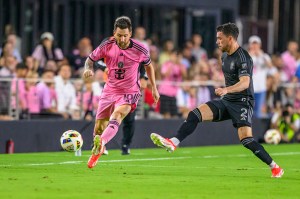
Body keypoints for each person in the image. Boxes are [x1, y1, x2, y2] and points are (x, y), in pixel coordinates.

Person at [150, 22, 284, 178]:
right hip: (227, 100)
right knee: (194, 114)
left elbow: (245, 83)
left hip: (243, 102)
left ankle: (275, 167)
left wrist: (226, 89)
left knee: (246, 140)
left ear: (230, 38)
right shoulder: (224, 55)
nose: (217, 42)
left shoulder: (243, 57)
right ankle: (173, 142)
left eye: (220, 39)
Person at [83, 16, 159, 168]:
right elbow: (90, 59)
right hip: (110, 89)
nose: (122, 39)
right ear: (114, 33)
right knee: (98, 128)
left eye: (125, 35)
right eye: (119, 35)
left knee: (117, 115)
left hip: (130, 91)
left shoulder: (140, 49)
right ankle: (99, 146)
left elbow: (149, 67)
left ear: (130, 33)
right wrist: (87, 69)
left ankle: (102, 143)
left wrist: (154, 87)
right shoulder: (107, 45)